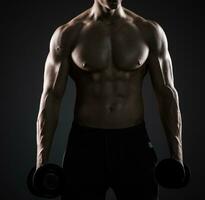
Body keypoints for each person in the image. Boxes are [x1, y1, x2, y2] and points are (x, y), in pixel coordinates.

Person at [35, 0, 183, 199]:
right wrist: (41, 162)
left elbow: (167, 94)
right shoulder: (69, 34)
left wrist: (178, 157)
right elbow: (51, 97)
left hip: (134, 144)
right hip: (85, 146)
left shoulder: (148, 31)